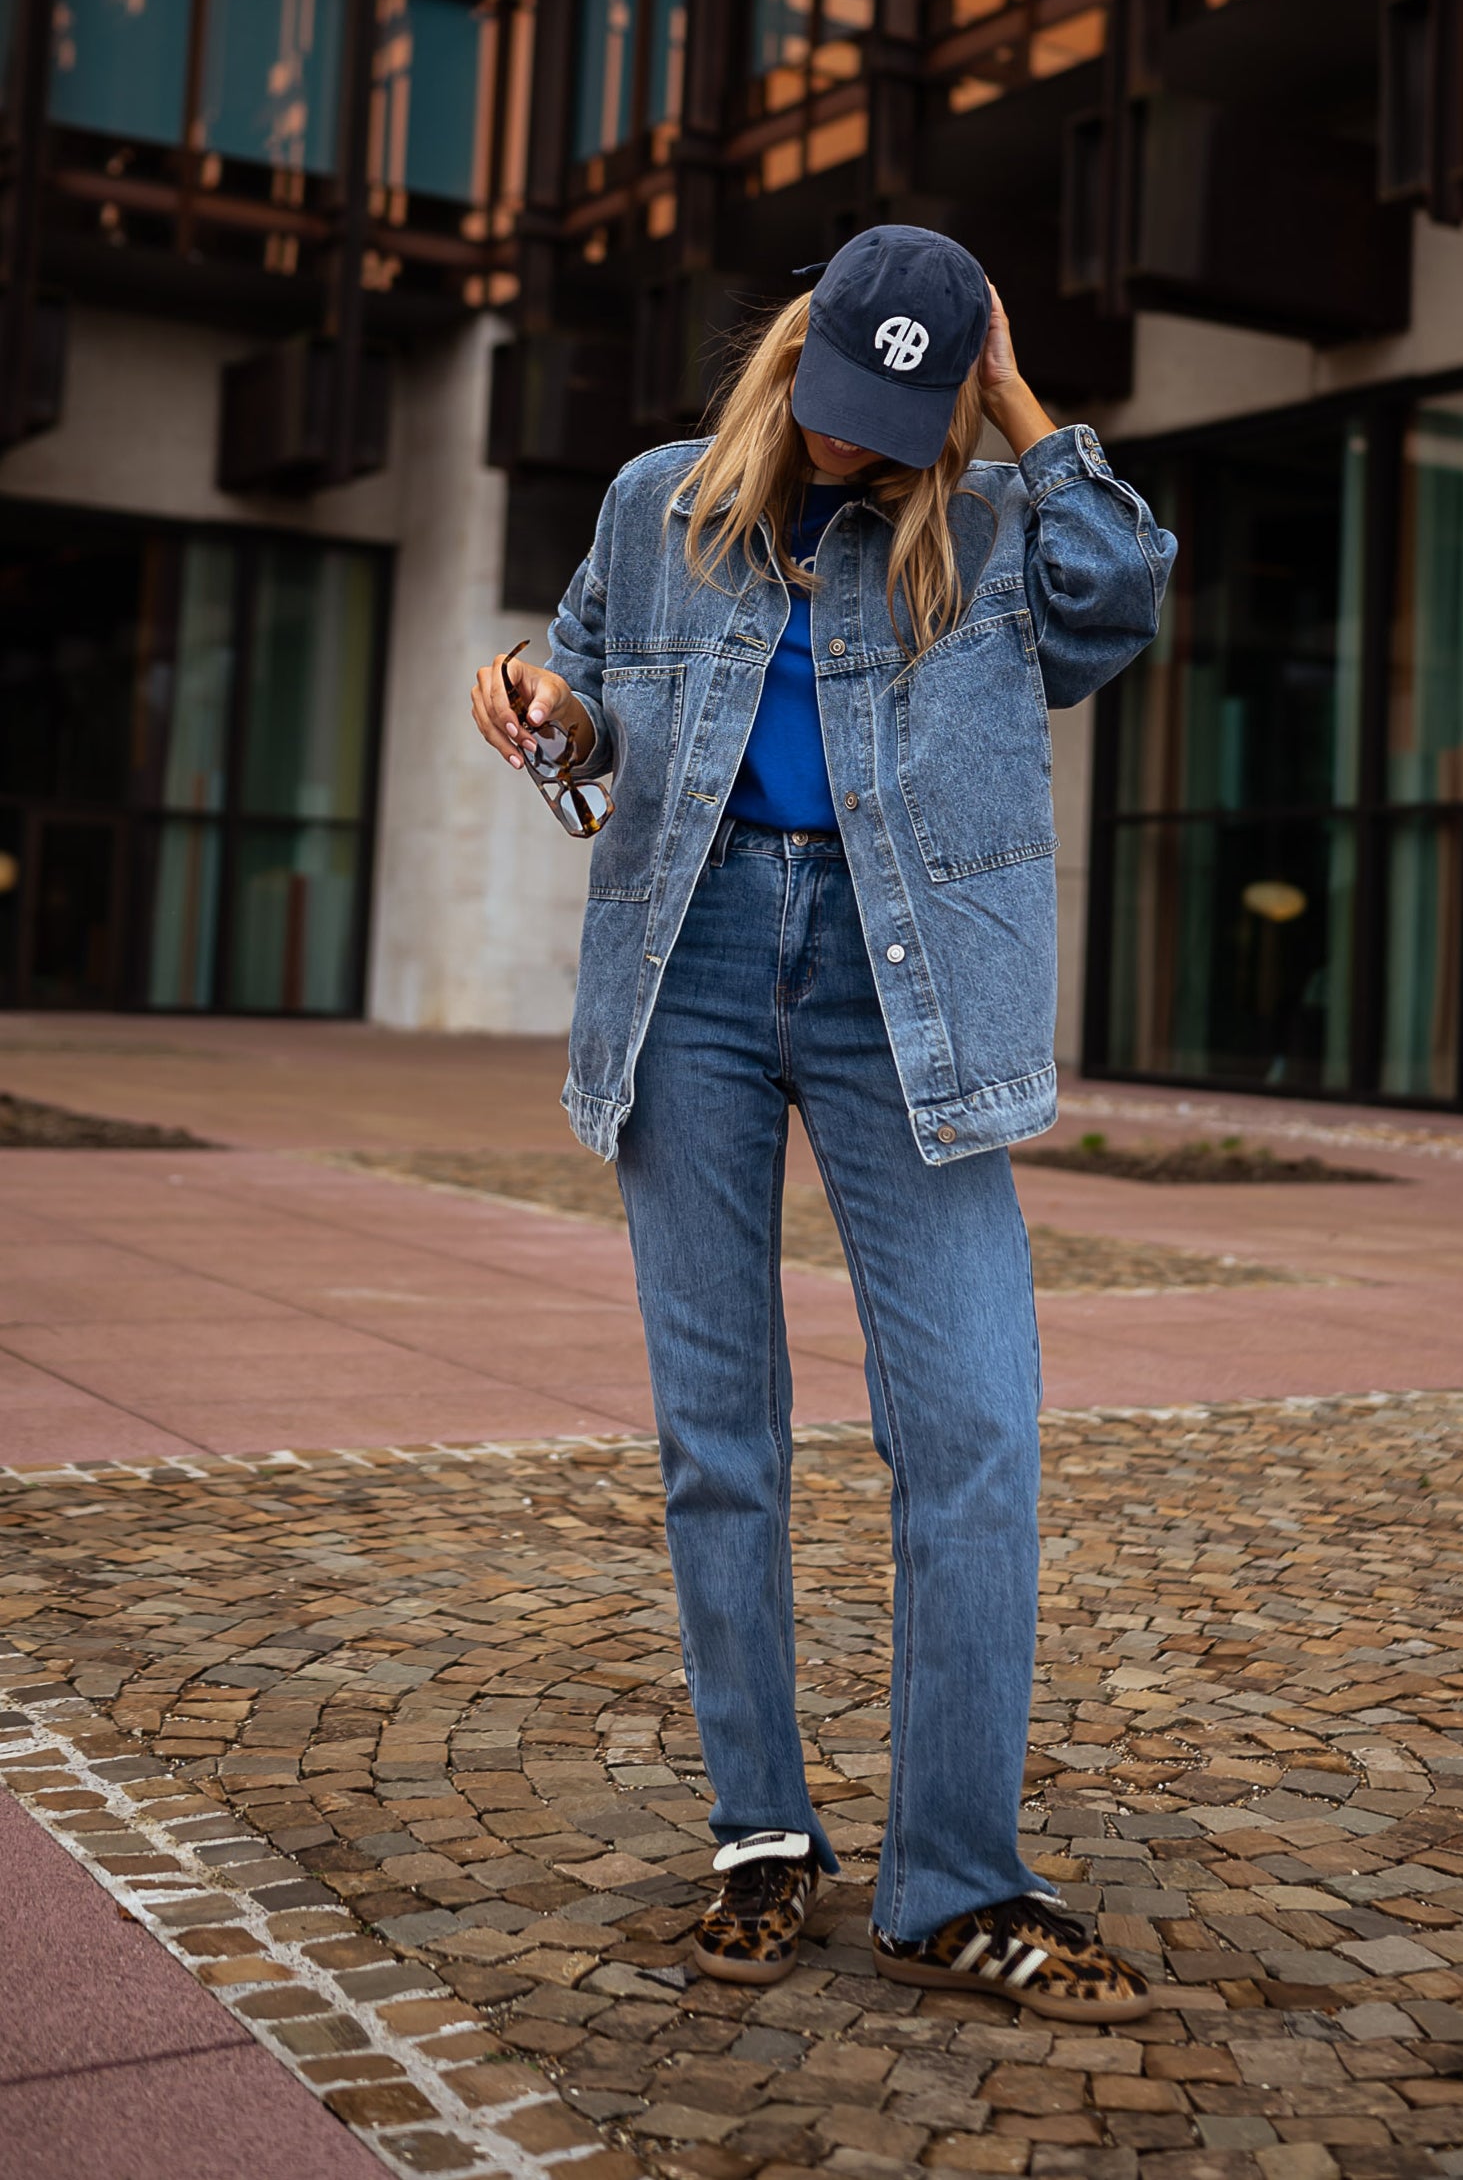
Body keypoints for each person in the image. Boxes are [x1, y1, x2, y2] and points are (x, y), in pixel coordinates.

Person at [470, 225, 1176, 2021]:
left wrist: (1013, 403)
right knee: (722, 1430)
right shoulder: (659, 500)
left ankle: (952, 1882)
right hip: (689, 961)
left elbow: (1125, 601)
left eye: (905, 416)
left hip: (904, 984)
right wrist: (547, 707)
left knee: (977, 1434)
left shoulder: (1000, 522)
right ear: (791, 360)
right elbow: (600, 683)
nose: (862, 447)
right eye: (846, 405)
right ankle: (760, 1833)